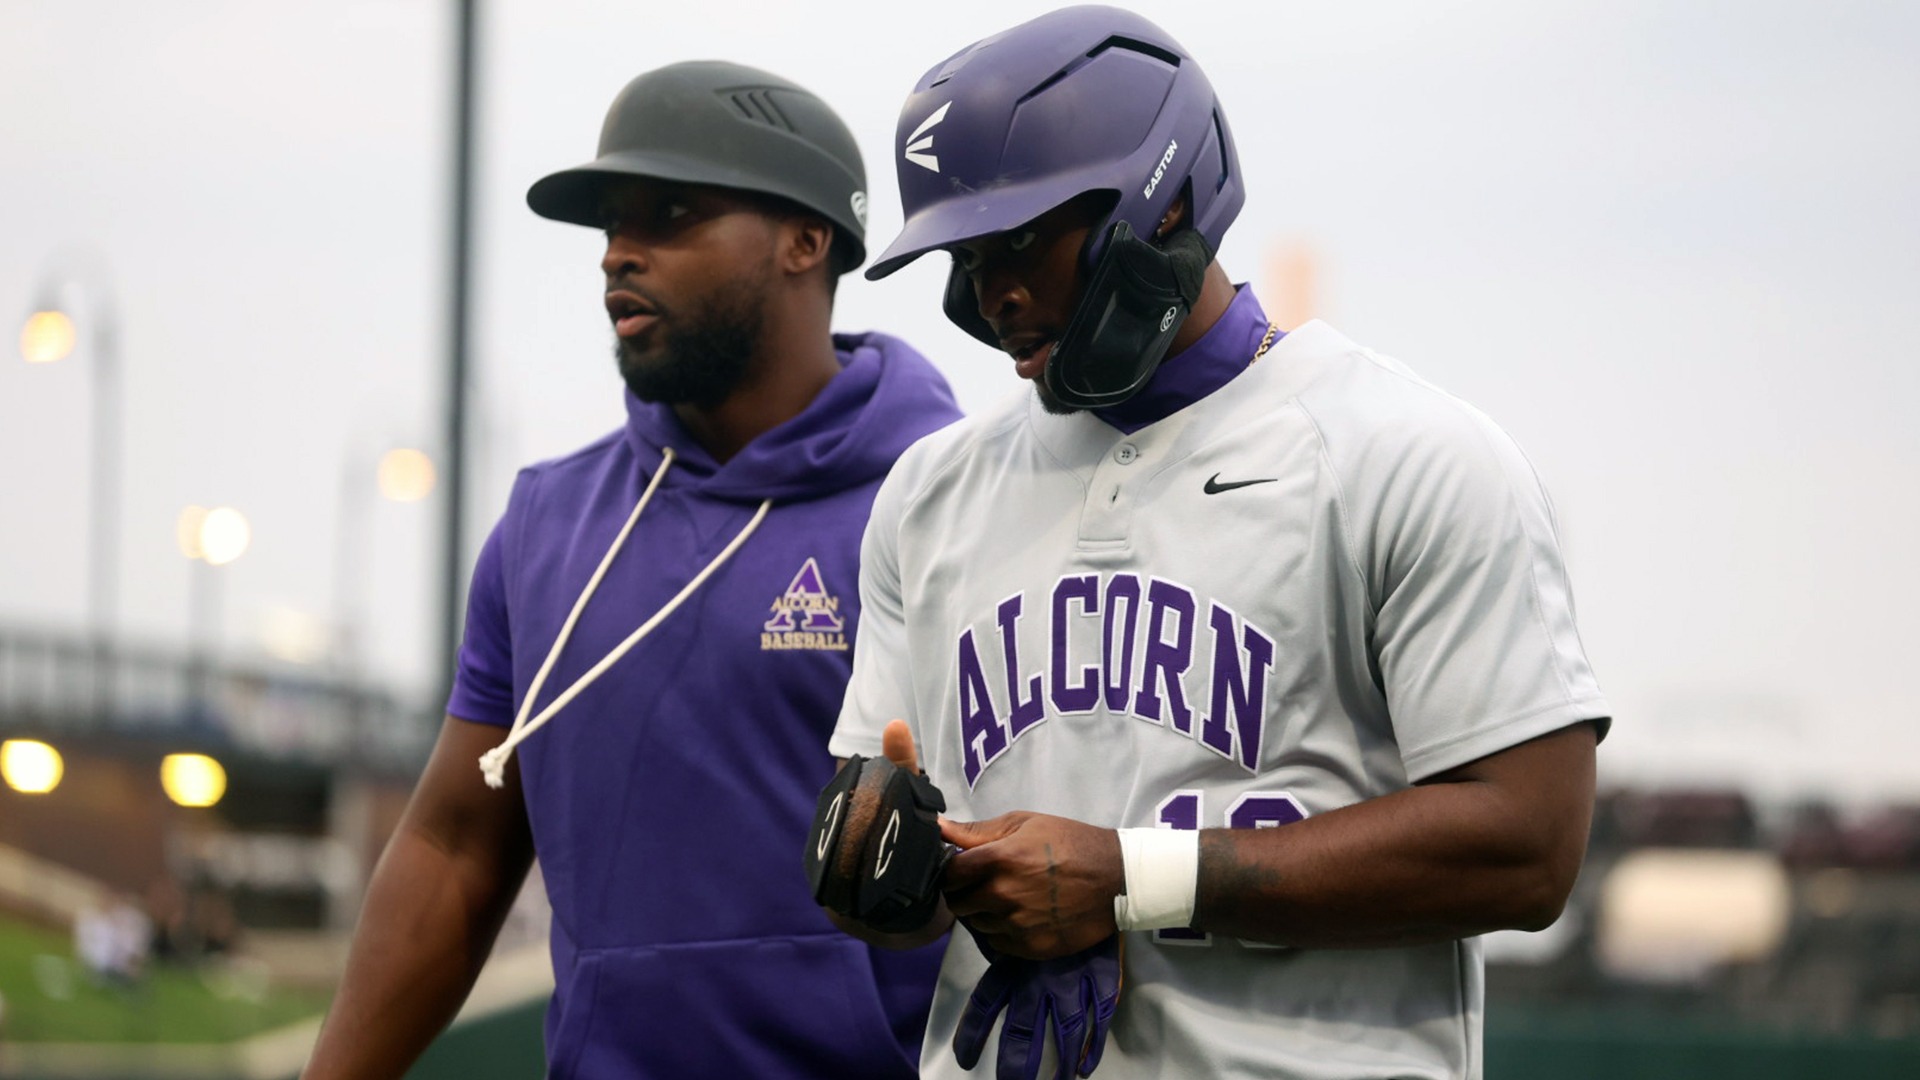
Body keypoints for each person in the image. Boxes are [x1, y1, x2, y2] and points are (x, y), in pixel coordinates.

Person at [822, 7, 1611, 1079]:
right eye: (963, 258)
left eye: (1021, 240)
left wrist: (1130, 879)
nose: (990, 295)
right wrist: (894, 868)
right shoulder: (931, 492)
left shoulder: (1405, 455)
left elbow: (1529, 847)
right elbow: (903, 908)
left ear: (1168, 199)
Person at [304, 61, 959, 1079]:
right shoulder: (545, 525)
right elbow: (454, 851)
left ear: (804, 239)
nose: (619, 255)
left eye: (672, 213)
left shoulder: (949, 509)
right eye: (613, 223)